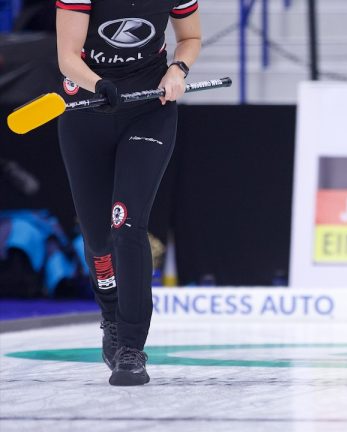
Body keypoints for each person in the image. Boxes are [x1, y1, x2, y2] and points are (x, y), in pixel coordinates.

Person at [55, 0, 201, 386]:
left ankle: (131, 348)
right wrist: (102, 85)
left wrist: (177, 69)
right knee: (99, 238)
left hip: (148, 109)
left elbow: (190, 36)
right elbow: (68, 56)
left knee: (127, 226)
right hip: (86, 110)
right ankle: (110, 316)